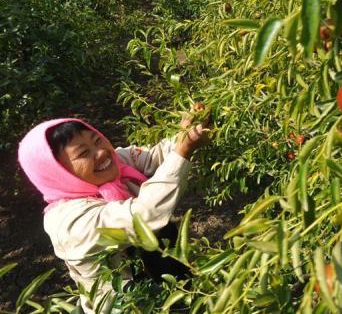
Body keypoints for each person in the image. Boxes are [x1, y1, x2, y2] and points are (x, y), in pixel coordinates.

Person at [17, 107, 210, 313]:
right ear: (57, 174)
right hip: (128, 303)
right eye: (83, 153)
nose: (101, 153)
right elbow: (142, 216)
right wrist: (183, 150)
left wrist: (184, 133)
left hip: (164, 271)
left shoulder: (115, 163)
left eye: (97, 140)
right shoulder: (69, 222)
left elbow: (152, 157)